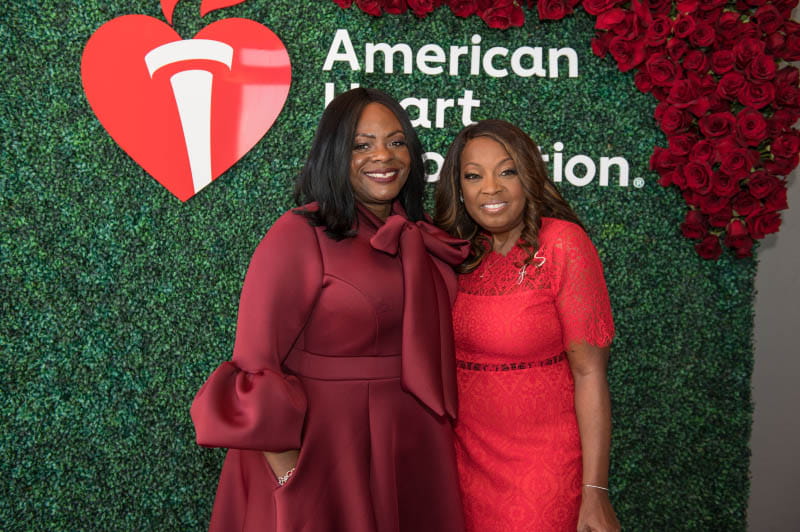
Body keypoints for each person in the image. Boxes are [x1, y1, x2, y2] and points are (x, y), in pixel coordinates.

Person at [191, 88, 469, 532]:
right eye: (363, 144)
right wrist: (292, 476)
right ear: (335, 154)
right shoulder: (298, 233)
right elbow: (254, 365)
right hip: (324, 453)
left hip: (413, 446)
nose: (384, 155)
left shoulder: (421, 236)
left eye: (397, 142)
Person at [434, 120, 620, 532]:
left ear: (529, 176)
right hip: (460, 461)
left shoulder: (563, 244)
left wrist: (595, 491)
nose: (491, 188)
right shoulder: (452, 252)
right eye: (473, 175)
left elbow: (590, 372)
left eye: (507, 171)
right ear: (459, 188)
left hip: (543, 466)